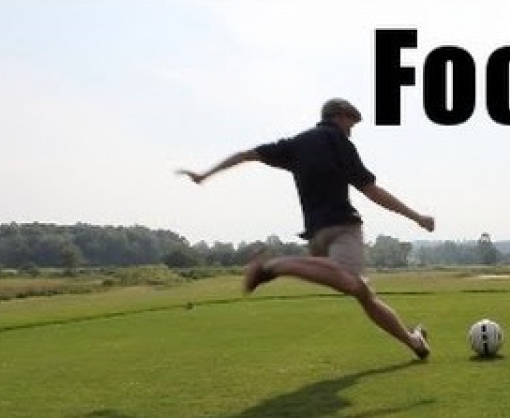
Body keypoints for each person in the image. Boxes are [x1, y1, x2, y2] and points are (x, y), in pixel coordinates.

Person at [177, 98, 435, 360]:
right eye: (351, 123)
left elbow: (246, 155)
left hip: (317, 236)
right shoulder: (338, 141)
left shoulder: (296, 144)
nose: (351, 130)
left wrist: (205, 174)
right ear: (340, 116)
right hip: (343, 228)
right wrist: (416, 216)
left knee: (364, 294)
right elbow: (370, 190)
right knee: (351, 281)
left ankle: (415, 342)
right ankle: (274, 265)